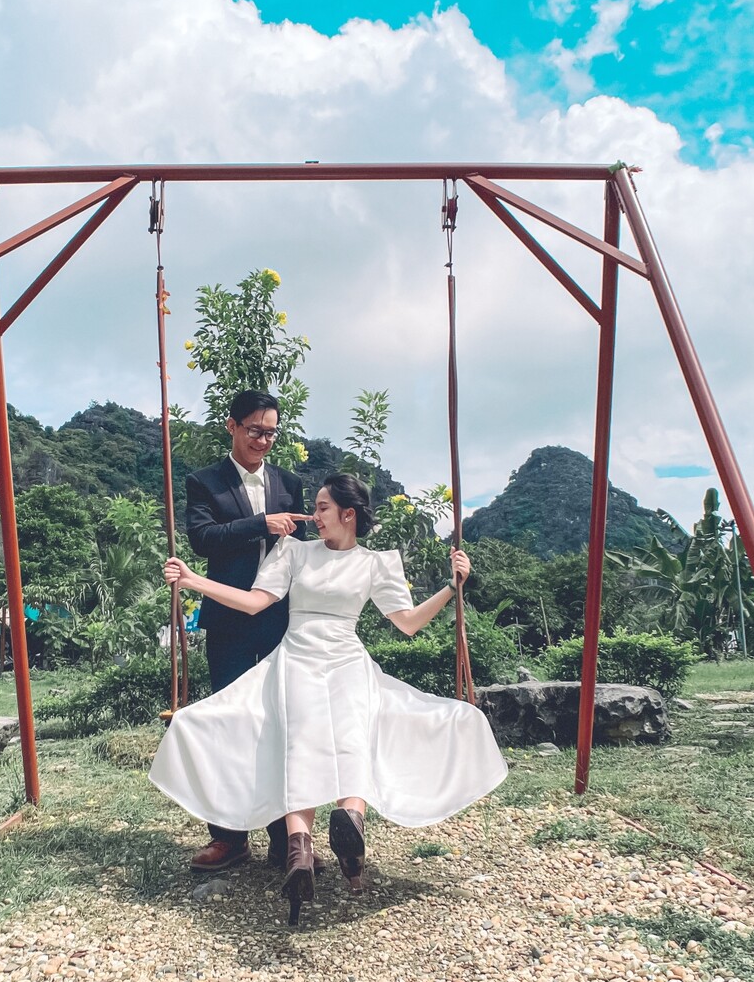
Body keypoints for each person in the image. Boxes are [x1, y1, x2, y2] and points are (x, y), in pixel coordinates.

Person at [152, 472, 509, 923]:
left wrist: (452, 587)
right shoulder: (294, 551)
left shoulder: (377, 563)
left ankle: (343, 829)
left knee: (351, 732)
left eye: (322, 508)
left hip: (346, 660)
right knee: (301, 739)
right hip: (297, 658)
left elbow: (408, 622)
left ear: (348, 514)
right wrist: (192, 580)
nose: (314, 516)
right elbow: (254, 601)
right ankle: (302, 850)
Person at [180, 390, 310, 873]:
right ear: (231, 426)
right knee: (230, 723)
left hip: (281, 619)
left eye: (271, 432)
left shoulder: (289, 482)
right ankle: (229, 837)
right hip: (228, 621)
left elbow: (302, 547)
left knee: (283, 723)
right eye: (255, 430)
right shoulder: (204, 481)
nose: (263, 440)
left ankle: (286, 839)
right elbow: (202, 539)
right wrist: (260, 524)